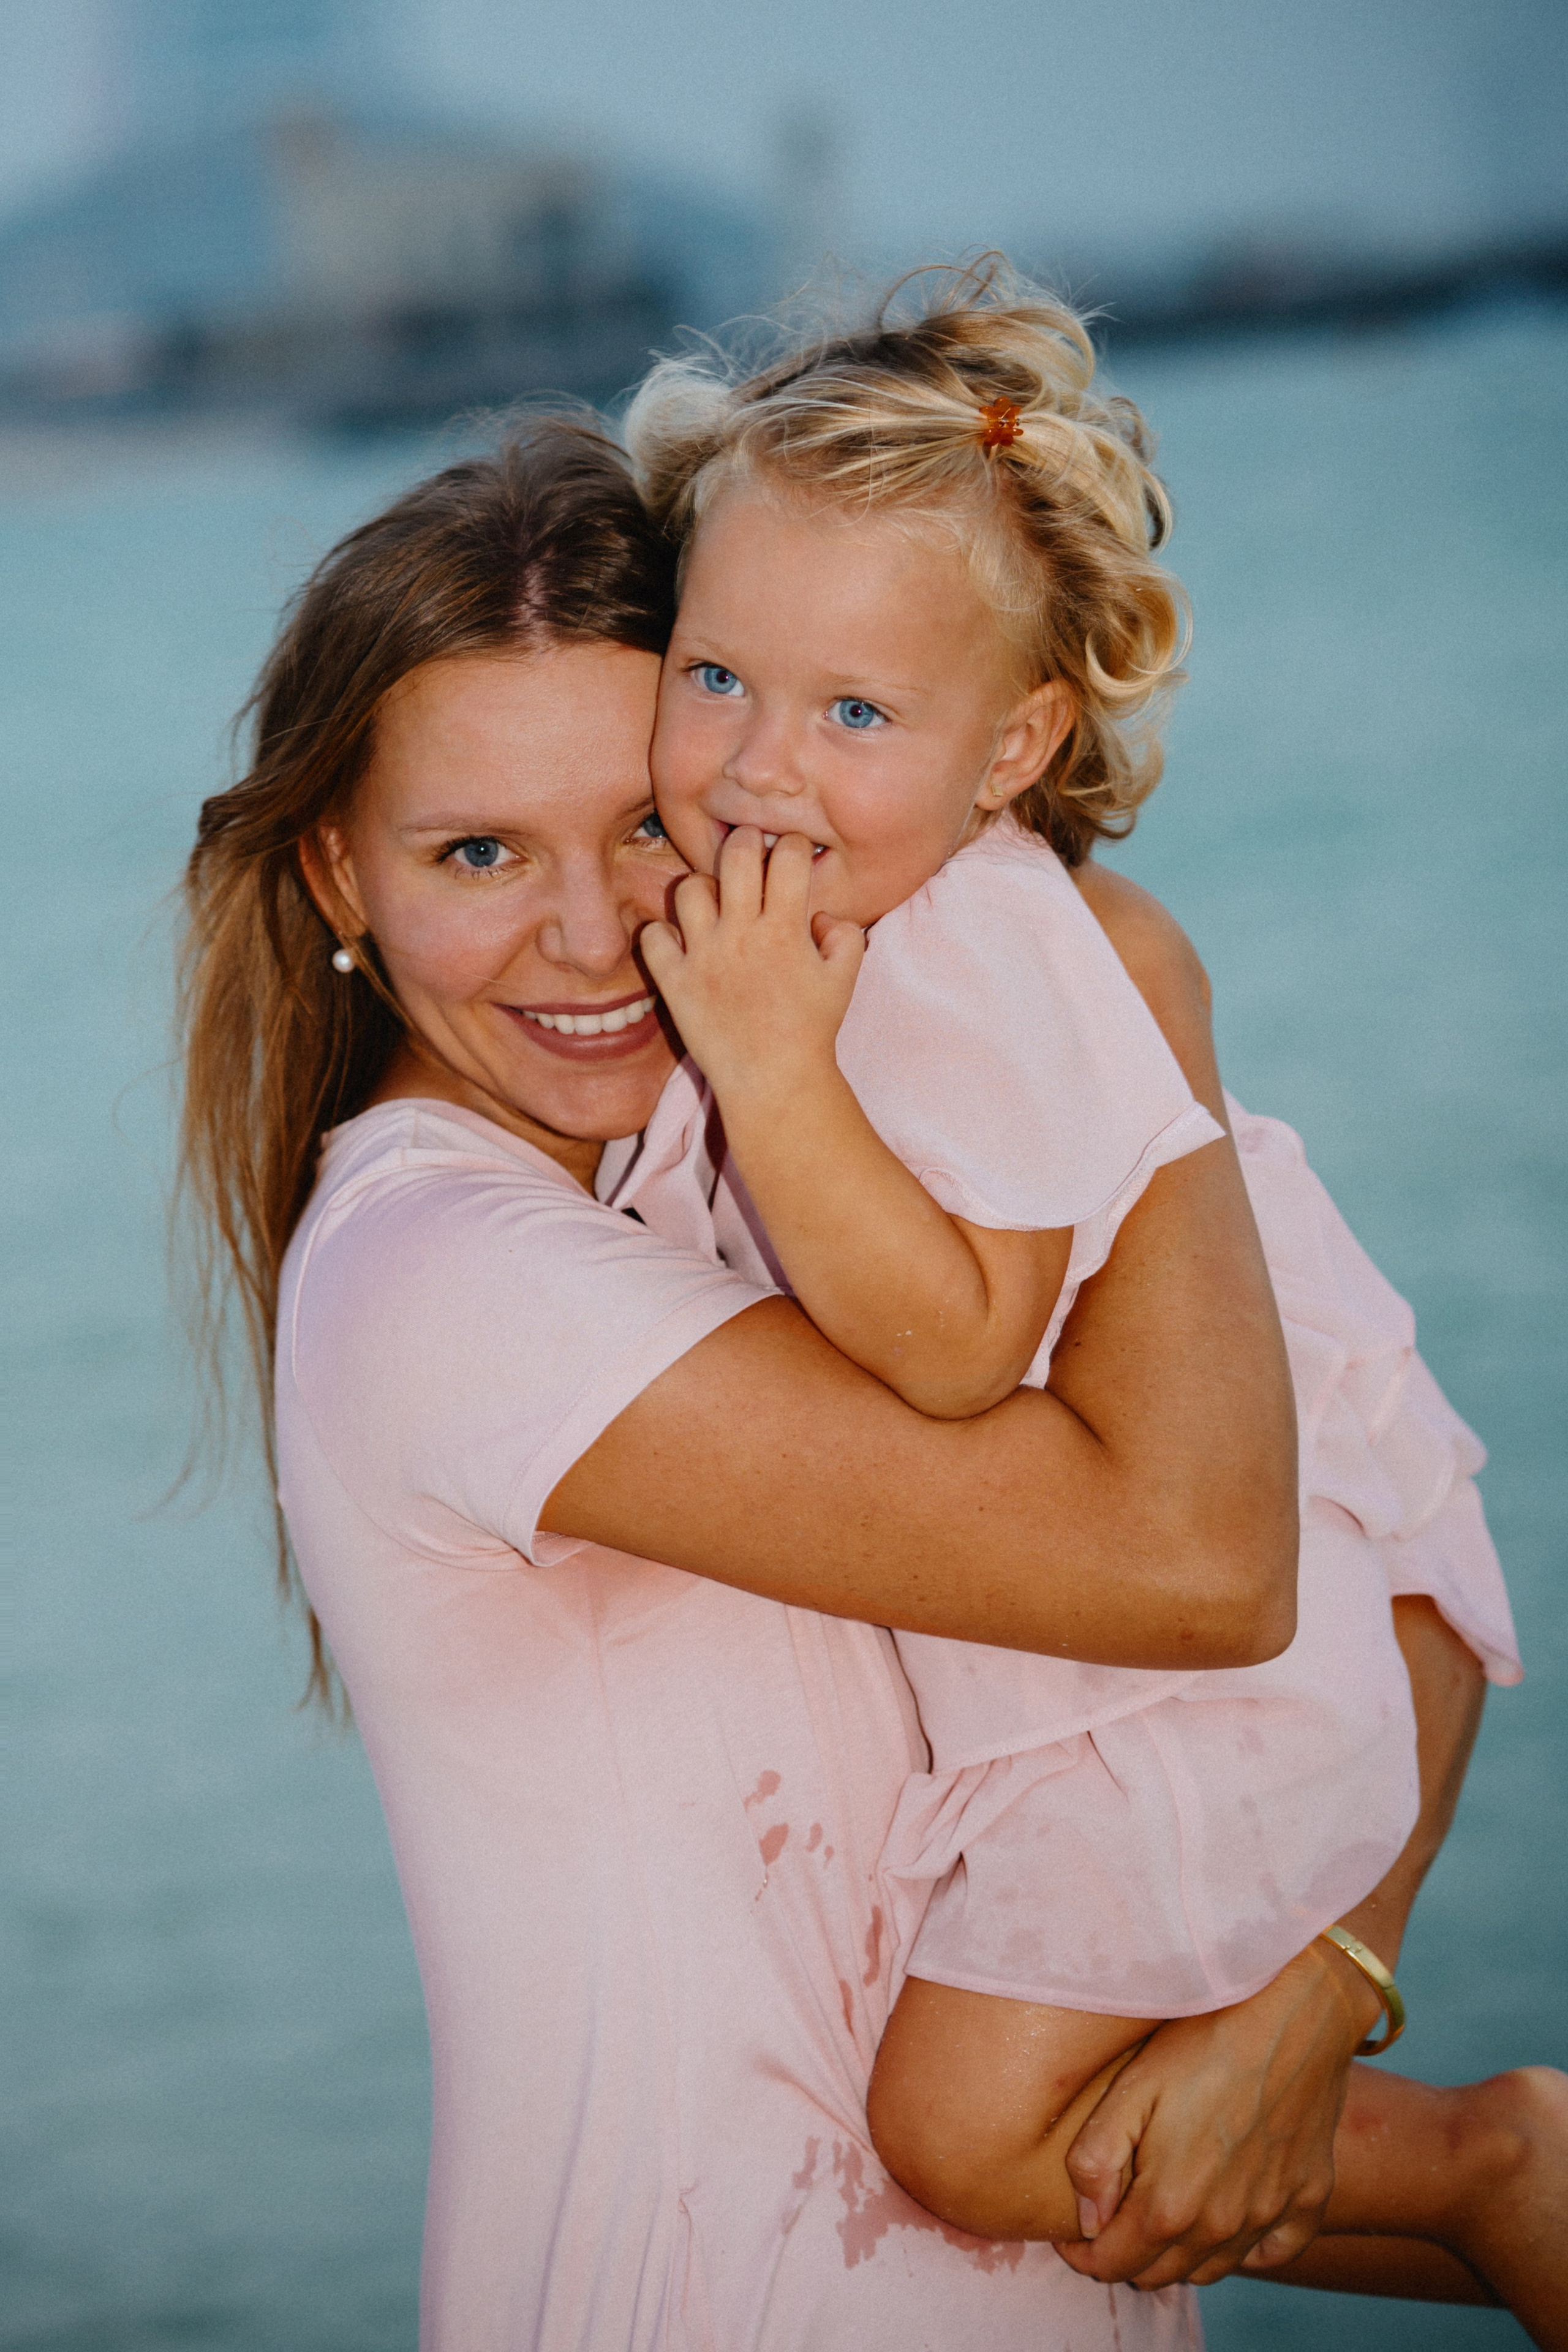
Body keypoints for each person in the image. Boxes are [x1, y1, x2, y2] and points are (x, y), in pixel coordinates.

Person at [179, 417, 1476, 2352]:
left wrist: (1322, 1980)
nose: (599, 929)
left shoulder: (834, 1170)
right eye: (475, 852)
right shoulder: (444, 1278)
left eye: (646, 818)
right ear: (335, 872)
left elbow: (1403, 1547)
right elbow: (1205, 1565)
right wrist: (1137, 994)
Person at [620, 264, 1566, 2332]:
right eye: (715, 679)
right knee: (1087, 2152)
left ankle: (1504, 2168)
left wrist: (770, 1074)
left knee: (967, 2138)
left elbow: (965, 1336)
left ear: (1016, 744)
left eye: (858, 713)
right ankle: (1499, 2197)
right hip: (1142, 1669)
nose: (763, 767)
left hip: (1185, 1699)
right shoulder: (864, 912)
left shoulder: (973, 950)